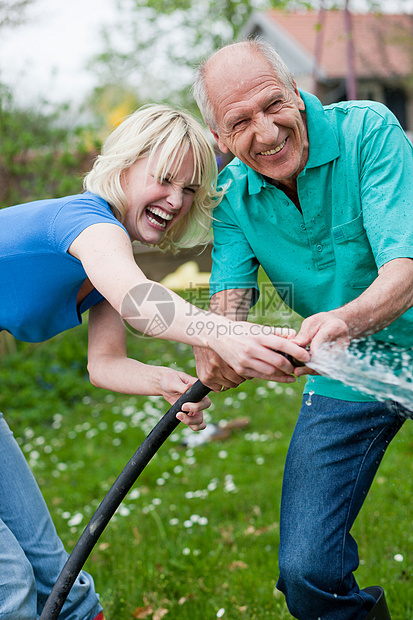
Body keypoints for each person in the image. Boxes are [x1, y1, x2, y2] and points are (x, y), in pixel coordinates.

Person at [0, 103, 309, 620]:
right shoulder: (86, 223)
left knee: (61, 580)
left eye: (189, 190)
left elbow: (105, 364)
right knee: (9, 586)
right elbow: (140, 303)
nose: (176, 200)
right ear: (123, 166)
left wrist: (166, 380)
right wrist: (228, 334)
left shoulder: (102, 256)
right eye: (164, 179)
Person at [192, 39, 413, 619]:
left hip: (375, 335)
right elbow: (228, 312)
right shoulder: (231, 197)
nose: (264, 133)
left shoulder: (367, 131)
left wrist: (344, 319)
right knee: (307, 570)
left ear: (296, 93)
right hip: (347, 372)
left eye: (272, 106)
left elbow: (406, 271)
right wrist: (218, 351)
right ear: (220, 139)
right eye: (240, 122)